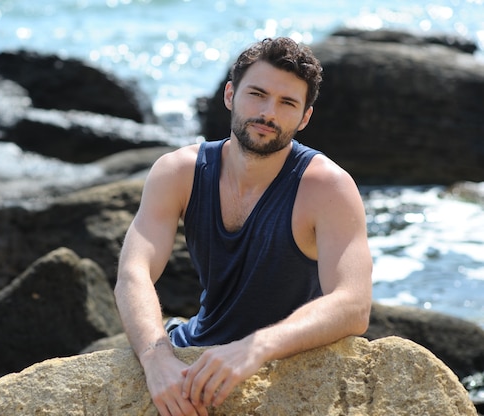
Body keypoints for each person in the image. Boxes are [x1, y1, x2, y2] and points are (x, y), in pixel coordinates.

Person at [114, 37, 373, 416]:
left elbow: (353, 304)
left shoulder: (327, 187)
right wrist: (157, 360)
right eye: (257, 94)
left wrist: (256, 347)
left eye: (287, 103)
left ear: (304, 118)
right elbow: (133, 273)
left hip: (289, 357)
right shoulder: (179, 173)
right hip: (194, 345)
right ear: (230, 94)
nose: (268, 112)